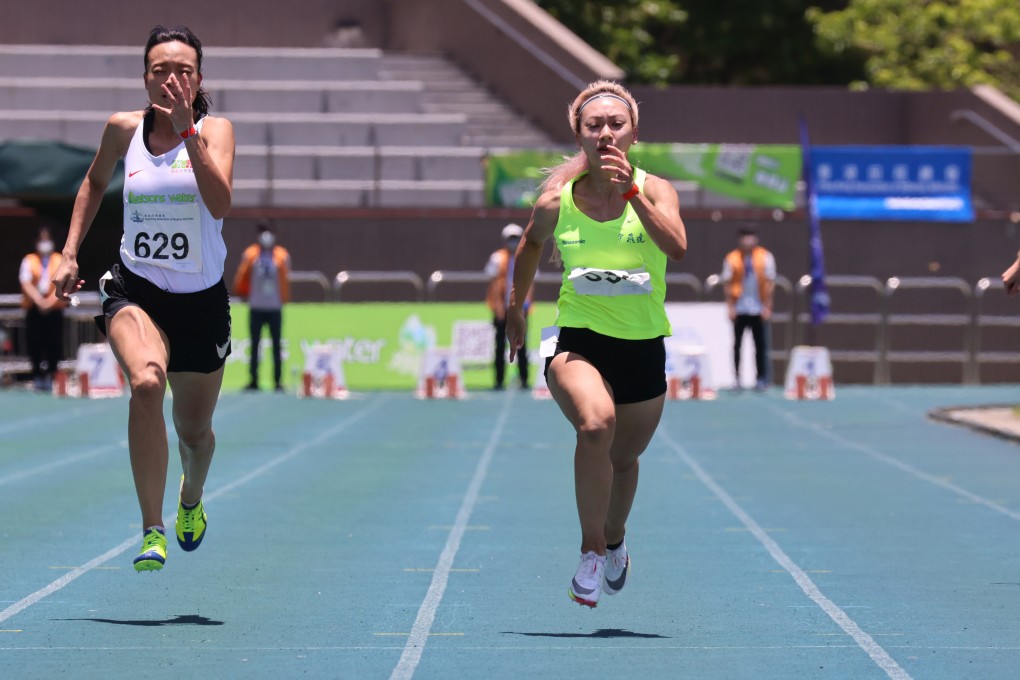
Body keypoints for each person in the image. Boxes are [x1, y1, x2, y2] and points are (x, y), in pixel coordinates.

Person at [52, 25, 235, 572]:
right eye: (160, 69)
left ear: (198, 78)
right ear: (145, 77)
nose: (171, 78)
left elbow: (221, 203)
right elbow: (91, 183)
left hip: (201, 304)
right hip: (137, 289)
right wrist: (68, 252)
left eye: (182, 70)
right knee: (147, 381)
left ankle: (190, 502)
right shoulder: (122, 129)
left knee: (195, 434)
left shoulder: (217, 130)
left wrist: (188, 136)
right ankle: (151, 528)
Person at [505, 80, 687, 607]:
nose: (605, 133)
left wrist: (631, 192)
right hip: (578, 339)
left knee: (625, 460)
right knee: (595, 426)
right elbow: (528, 245)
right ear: (578, 135)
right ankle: (588, 552)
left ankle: (613, 541)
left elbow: (677, 247)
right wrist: (516, 309)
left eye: (615, 124)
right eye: (594, 126)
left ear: (633, 132)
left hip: (643, 345)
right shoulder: (555, 202)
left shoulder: (656, 190)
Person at [233, 223, 291, 392]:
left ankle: (278, 380)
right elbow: (242, 275)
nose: (266, 236)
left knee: (276, 345)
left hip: (274, 307)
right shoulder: (251, 254)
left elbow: (285, 277)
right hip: (256, 306)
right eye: (263, 232)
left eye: (269, 232)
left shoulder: (281, 255)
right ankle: (253, 379)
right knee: (255, 344)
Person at [720, 226, 775, 391]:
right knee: (737, 345)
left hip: (758, 307)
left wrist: (767, 306)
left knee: (760, 345)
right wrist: (730, 306)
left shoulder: (765, 256)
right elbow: (727, 283)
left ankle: (761, 378)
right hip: (740, 307)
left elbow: (770, 282)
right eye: (744, 237)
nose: (747, 241)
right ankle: (736, 378)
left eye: (751, 237)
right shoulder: (732, 258)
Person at [485, 223, 532, 390]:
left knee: (522, 344)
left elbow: (531, 283)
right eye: (510, 238)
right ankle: (498, 381)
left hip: (520, 309)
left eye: (516, 238)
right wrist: (497, 306)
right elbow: (493, 283)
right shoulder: (497, 258)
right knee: (499, 345)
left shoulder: (526, 256)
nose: (513, 241)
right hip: (502, 309)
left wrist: (525, 306)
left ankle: (524, 379)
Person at [19, 226, 66, 391]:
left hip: (54, 309)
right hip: (34, 308)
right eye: (41, 239)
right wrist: (39, 301)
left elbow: (64, 284)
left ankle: (52, 374)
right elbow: (25, 282)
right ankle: (37, 375)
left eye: (47, 239)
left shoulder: (59, 259)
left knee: (54, 343)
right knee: (34, 343)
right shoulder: (29, 259)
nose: (44, 243)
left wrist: (49, 302)